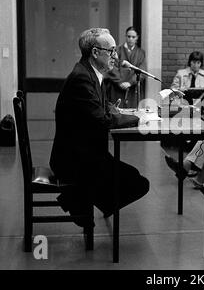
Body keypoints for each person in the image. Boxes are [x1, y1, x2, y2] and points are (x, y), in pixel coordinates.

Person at [50, 28, 150, 228]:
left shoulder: (90, 73)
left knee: (135, 179)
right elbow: (103, 119)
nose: (116, 56)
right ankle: (76, 197)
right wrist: (138, 119)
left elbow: (102, 108)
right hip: (76, 161)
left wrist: (123, 114)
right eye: (111, 51)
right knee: (139, 183)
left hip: (86, 153)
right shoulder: (82, 78)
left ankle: (84, 198)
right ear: (95, 52)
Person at [105, 26, 147, 108]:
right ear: (125, 36)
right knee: (116, 111)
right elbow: (112, 67)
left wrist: (130, 82)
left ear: (137, 38)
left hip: (132, 89)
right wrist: (120, 82)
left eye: (133, 37)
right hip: (117, 88)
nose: (130, 39)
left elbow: (142, 70)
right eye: (128, 36)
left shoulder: (141, 53)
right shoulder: (117, 50)